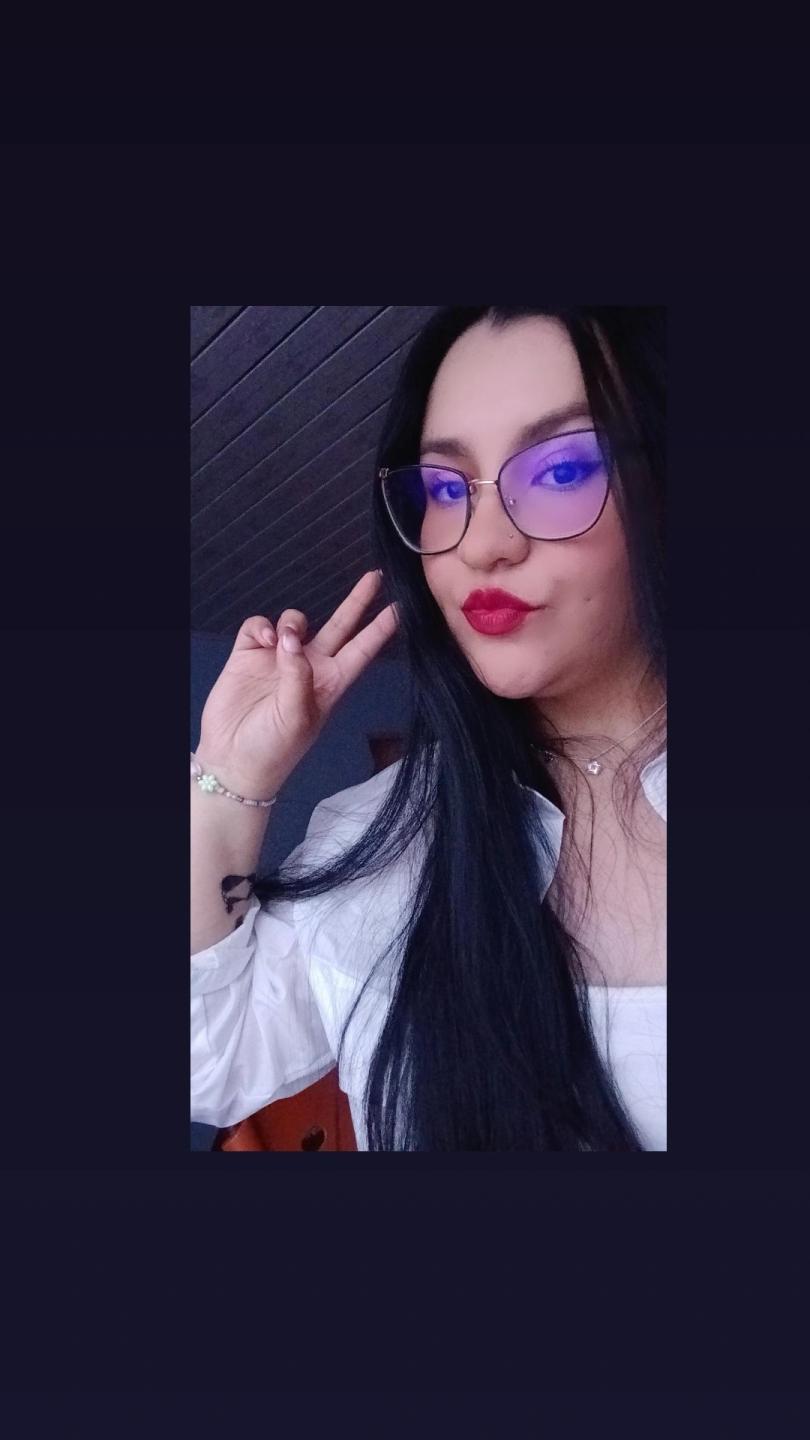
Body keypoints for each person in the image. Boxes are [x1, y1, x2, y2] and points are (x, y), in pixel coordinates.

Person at [191, 305, 666, 1152]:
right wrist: (230, 772)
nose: (481, 545)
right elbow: (209, 1062)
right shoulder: (382, 834)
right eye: (447, 489)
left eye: (561, 469)